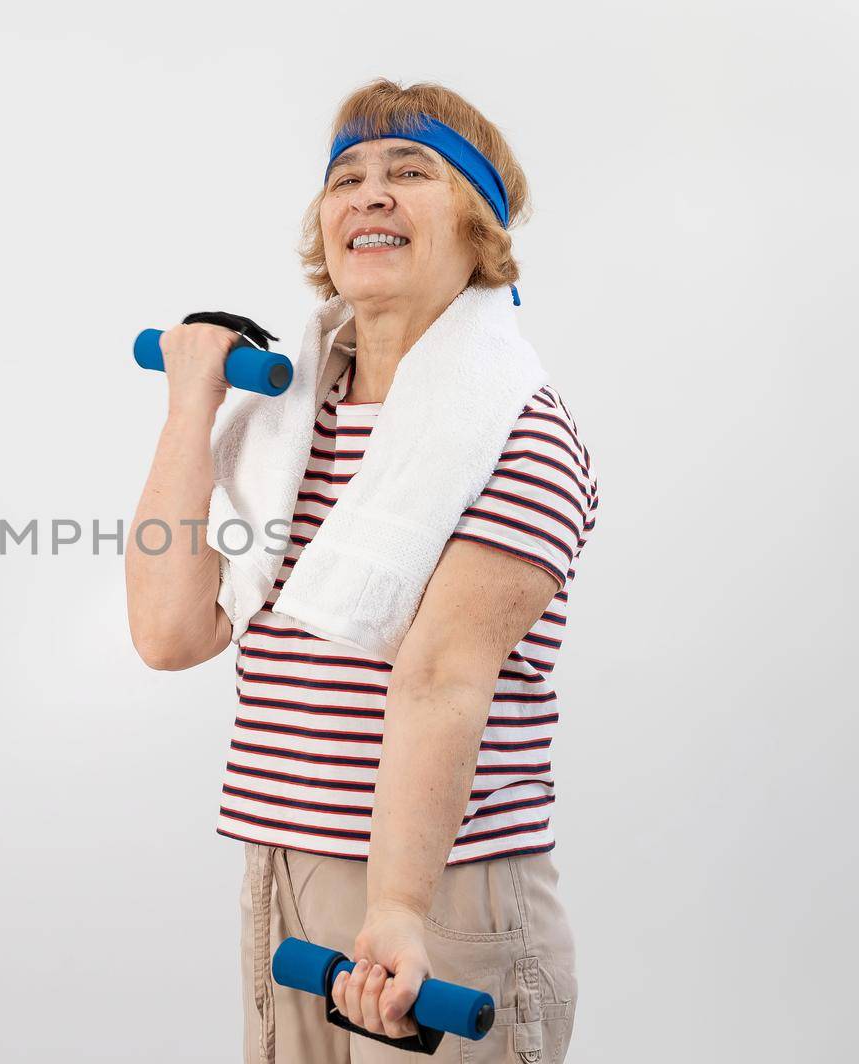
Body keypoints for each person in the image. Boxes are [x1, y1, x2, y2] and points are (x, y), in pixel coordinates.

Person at [124, 79, 598, 1063]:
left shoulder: (518, 428)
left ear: (479, 229)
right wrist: (189, 410)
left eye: (410, 171)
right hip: (283, 869)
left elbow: (442, 677)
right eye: (347, 177)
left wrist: (395, 903)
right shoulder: (278, 427)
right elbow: (169, 633)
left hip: (439, 890)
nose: (368, 195)